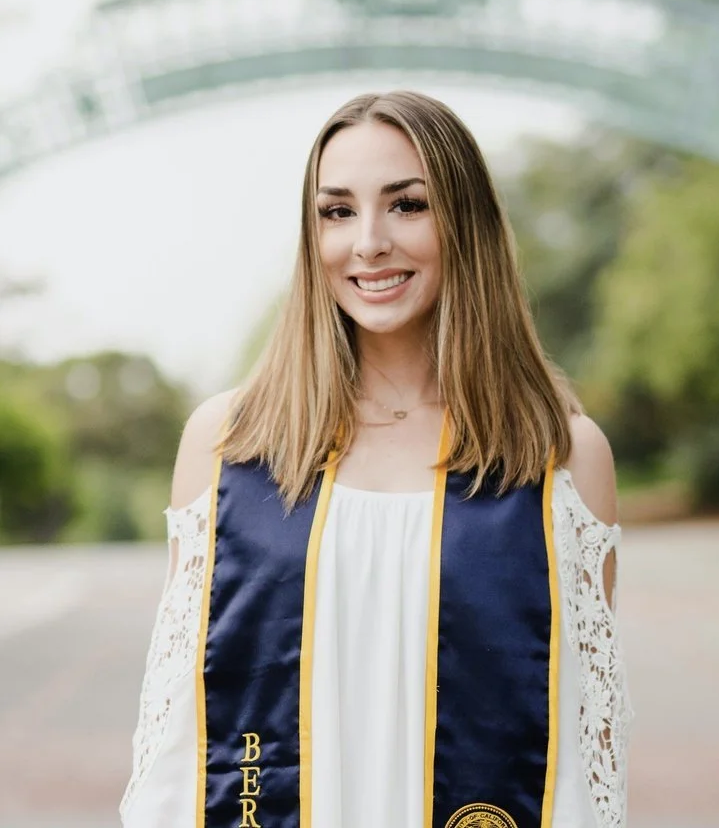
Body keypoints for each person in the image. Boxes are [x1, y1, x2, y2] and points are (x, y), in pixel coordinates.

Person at [120, 90, 633, 828]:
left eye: (407, 205)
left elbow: (592, 749)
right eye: (337, 211)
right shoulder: (232, 444)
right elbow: (176, 729)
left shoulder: (559, 459)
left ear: (468, 223)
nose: (368, 242)